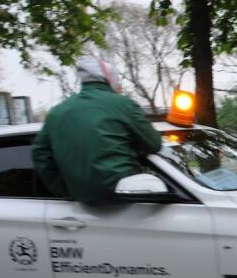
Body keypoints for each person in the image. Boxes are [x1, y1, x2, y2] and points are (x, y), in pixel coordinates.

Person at [32, 55, 163, 203]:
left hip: (80, 196)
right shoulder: (123, 104)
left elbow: (39, 153)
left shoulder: (56, 113)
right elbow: (154, 144)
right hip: (123, 192)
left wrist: (63, 188)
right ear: (109, 79)